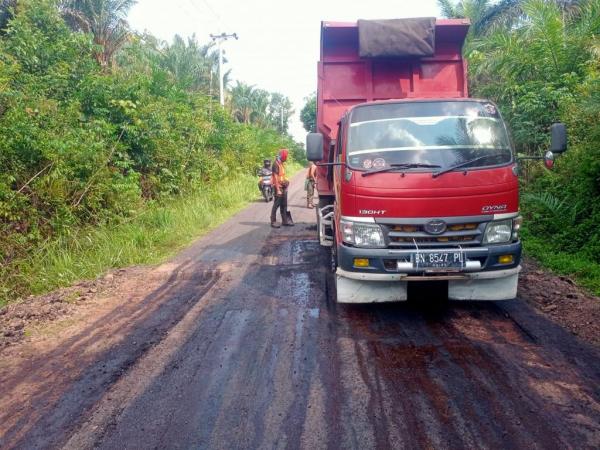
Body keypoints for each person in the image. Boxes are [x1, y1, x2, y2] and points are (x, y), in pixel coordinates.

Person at [270, 149, 293, 228]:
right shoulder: (275, 164)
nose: (286, 158)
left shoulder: (281, 163)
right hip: (278, 187)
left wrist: (286, 182)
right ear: (283, 156)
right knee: (276, 205)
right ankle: (273, 221)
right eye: (286, 156)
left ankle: (285, 221)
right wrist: (278, 190)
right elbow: (276, 178)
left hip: (283, 187)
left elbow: (282, 175)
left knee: (284, 205)